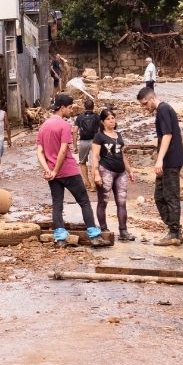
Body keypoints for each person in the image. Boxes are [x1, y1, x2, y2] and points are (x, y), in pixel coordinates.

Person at [36, 94, 112, 249]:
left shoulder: (44, 126)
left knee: (57, 204)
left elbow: (39, 151)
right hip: (68, 171)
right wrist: (56, 169)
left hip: (52, 174)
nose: (71, 111)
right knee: (84, 201)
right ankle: (94, 236)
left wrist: (49, 170)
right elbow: (64, 151)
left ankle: (60, 239)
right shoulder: (64, 125)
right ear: (62, 107)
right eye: (70, 108)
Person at [137, 86, 183, 245]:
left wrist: (160, 160)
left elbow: (167, 135)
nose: (144, 108)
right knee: (159, 196)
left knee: (171, 195)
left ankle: (173, 232)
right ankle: (174, 229)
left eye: (144, 104)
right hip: (167, 160)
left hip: (170, 160)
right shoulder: (162, 110)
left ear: (151, 98)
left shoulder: (163, 109)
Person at [90, 108, 137, 241]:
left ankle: (123, 231)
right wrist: (96, 173)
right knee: (103, 201)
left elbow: (122, 154)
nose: (112, 121)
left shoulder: (119, 135)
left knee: (121, 202)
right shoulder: (99, 136)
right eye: (108, 119)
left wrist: (130, 170)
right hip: (106, 170)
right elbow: (95, 156)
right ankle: (104, 229)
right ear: (103, 122)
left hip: (120, 172)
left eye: (113, 118)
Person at [72, 98, 100, 191]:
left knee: (82, 162)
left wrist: (75, 145)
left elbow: (75, 131)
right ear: (93, 107)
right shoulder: (97, 116)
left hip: (83, 142)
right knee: (94, 163)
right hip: (95, 142)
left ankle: (86, 183)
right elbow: (102, 130)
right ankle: (94, 185)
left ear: (84, 107)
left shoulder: (79, 117)